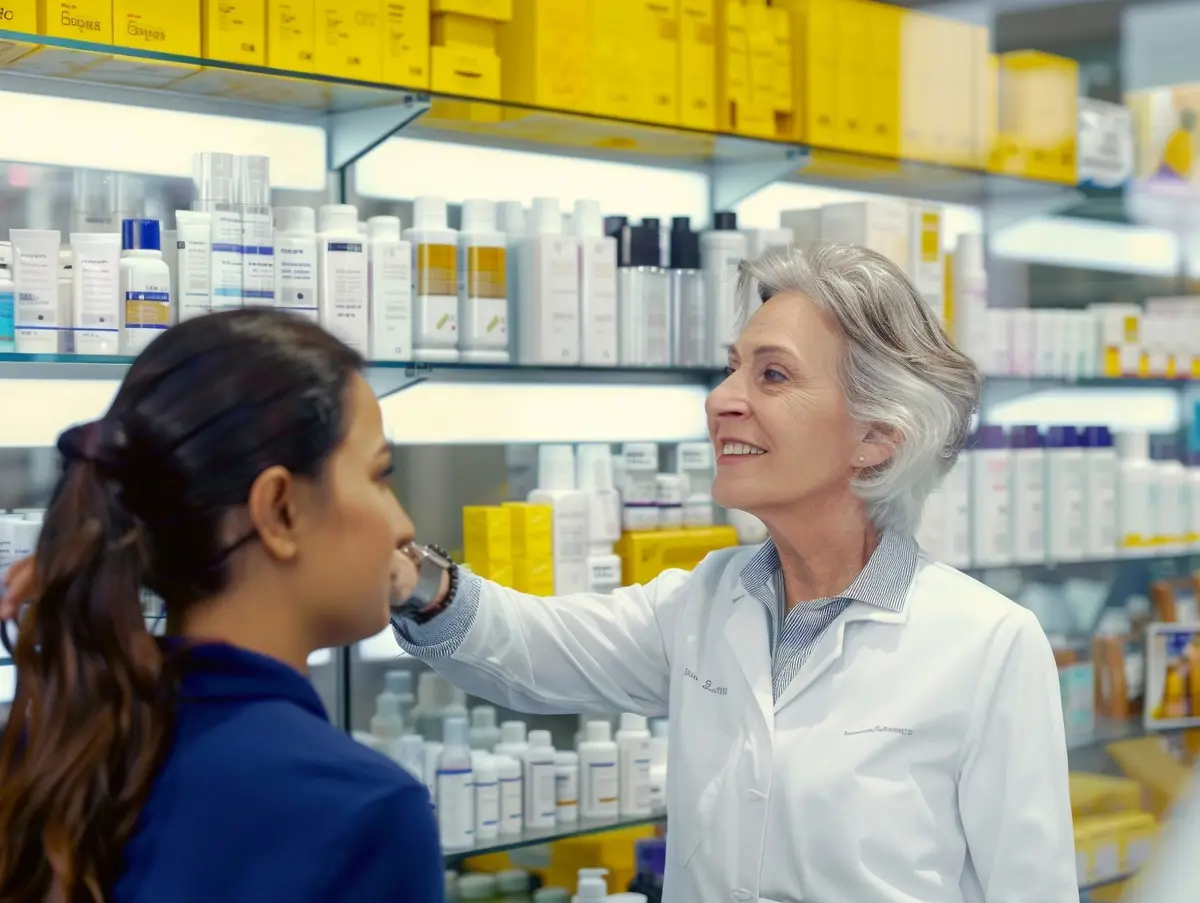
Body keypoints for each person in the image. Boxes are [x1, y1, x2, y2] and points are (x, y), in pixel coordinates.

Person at [387, 244, 1079, 903]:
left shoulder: (987, 643)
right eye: (732, 367)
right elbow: (533, 646)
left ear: (876, 435)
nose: (722, 399)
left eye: (771, 374)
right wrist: (410, 577)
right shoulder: (708, 599)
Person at [0, 310, 442, 903]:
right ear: (280, 510)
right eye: (380, 475)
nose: (402, 524)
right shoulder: (361, 810)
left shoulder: (58, 754)